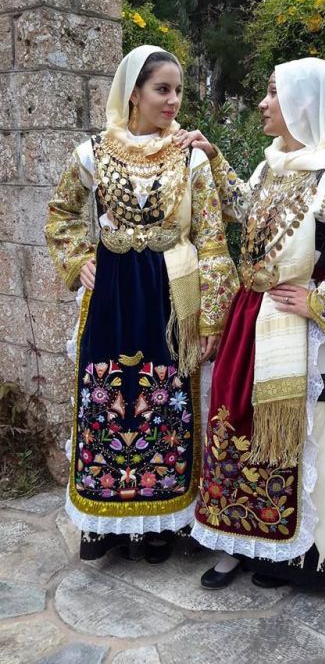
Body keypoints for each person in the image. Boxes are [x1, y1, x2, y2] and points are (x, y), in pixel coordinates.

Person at [174, 57, 325, 589]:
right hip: (248, 318)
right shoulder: (271, 164)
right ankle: (238, 542)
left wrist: (322, 302)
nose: (262, 103)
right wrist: (213, 157)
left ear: (302, 103)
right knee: (235, 429)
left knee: (298, 443)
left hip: (298, 332)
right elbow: (245, 208)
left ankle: (292, 554)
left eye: (274, 93)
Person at [44, 45, 239, 562]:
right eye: (162, 89)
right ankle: (104, 521)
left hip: (170, 292)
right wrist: (76, 259)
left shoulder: (191, 155)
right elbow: (61, 213)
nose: (173, 101)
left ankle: (159, 522)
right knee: (104, 394)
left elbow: (214, 237)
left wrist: (214, 313)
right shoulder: (92, 153)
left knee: (166, 398)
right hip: (111, 290)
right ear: (133, 92)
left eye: (178, 90)